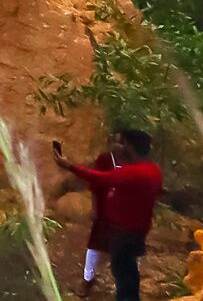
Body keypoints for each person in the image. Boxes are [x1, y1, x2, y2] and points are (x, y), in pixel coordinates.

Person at [57, 128, 162, 301]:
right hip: (136, 231)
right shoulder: (153, 170)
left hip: (124, 233)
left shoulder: (133, 172)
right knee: (128, 273)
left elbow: (100, 178)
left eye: (124, 142)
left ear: (129, 146)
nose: (120, 145)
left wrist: (69, 166)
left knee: (123, 275)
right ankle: (95, 282)